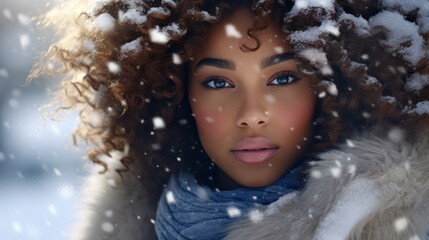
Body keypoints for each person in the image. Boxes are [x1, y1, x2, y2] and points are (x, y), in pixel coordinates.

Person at [32, 0, 429, 239]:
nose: (252, 114)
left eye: (283, 78)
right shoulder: (132, 221)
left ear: (331, 89)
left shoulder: (406, 225)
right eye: (219, 82)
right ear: (175, 94)